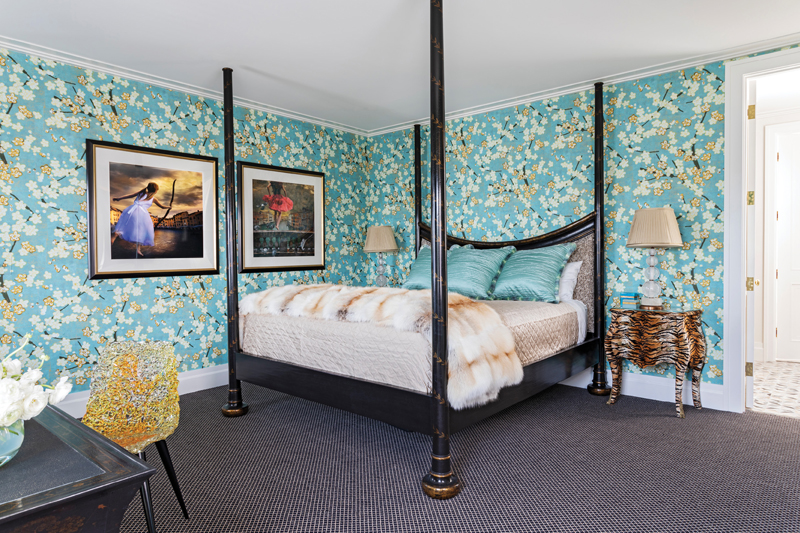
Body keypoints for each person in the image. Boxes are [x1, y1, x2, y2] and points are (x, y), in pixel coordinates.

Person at [111, 182, 167, 257]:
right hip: (141, 214)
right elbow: (162, 206)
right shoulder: (153, 199)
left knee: (127, 226)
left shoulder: (141, 193)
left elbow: (129, 195)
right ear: (155, 190)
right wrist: (169, 207)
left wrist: (118, 198)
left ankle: (116, 234)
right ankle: (138, 249)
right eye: (157, 190)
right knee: (141, 231)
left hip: (131, 211)